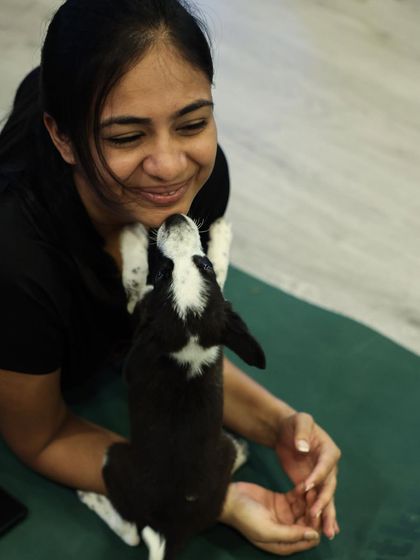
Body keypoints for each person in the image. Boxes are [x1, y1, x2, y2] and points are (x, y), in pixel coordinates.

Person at [0, 0, 341, 555]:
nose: (171, 165)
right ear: (64, 139)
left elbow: (178, 347)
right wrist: (209, 498)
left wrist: (281, 425)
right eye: (127, 137)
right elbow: (43, 435)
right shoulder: (17, 261)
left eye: (192, 123)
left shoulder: (200, 190)